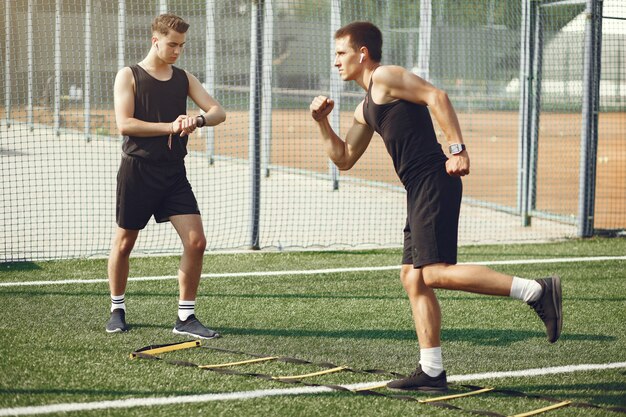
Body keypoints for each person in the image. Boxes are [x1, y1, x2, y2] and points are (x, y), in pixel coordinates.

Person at [309, 21, 562, 392]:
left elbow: (437, 96)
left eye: (341, 53)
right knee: (413, 277)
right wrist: (321, 122)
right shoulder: (365, 108)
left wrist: (457, 148)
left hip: (433, 178)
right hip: (417, 189)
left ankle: (537, 291)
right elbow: (344, 158)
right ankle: (431, 371)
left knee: (434, 273)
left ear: (362, 53)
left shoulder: (386, 77)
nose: (336, 62)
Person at [106, 13, 226, 339]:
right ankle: (117, 309)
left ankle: (185, 318)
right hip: (137, 172)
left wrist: (197, 121)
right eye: (171, 44)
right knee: (125, 243)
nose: (176, 51)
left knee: (196, 241)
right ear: (154, 39)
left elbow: (218, 112)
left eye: (181, 45)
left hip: (174, 173)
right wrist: (171, 126)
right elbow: (125, 124)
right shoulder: (128, 75)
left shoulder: (184, 77)